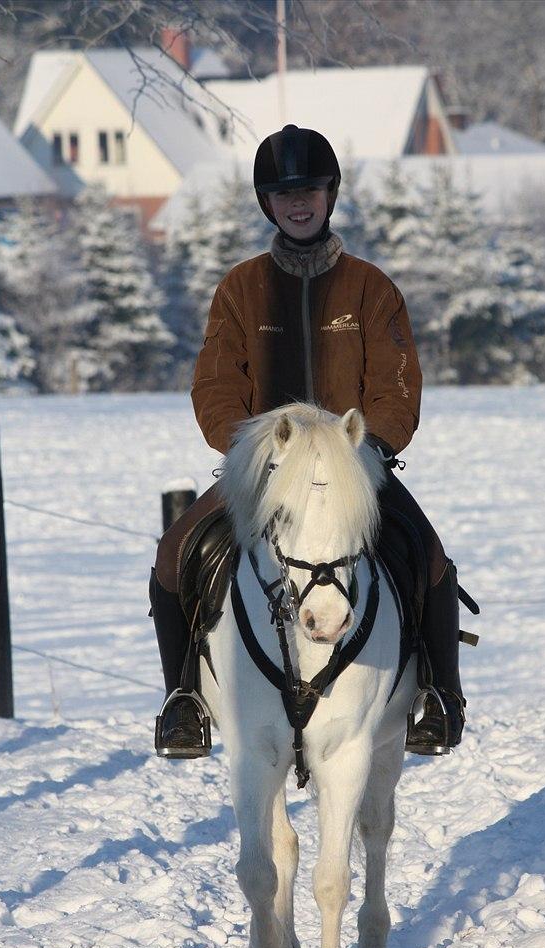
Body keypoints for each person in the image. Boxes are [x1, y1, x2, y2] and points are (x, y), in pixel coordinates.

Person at [151, 124, 466, 760]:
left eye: (310, 190)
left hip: (354, 466)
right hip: (265, 470)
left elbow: (397, 388)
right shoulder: (239, 290)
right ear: (267, 202)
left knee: (428, 557)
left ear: (331, 194)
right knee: (175, 552)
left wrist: (365, 450)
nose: (299, 203)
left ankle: (438, 697)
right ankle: (183, 699)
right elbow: (215, 387)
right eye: (284, 193)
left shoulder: (370, 288)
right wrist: (250, 452)